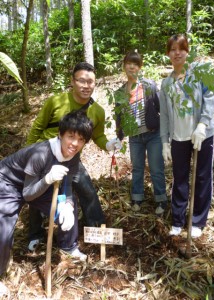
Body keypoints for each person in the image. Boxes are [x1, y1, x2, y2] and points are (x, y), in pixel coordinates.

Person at [26, 62, 121, 251]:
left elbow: (98, 136)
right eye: (82, 81)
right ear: (73, 81)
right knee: (37, 195)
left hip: (71, 158)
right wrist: (30, 155)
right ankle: (35, 234)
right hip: (45, 156)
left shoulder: (97, 111)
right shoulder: (56, 101)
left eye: (91, 82)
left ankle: (95, 229)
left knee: (87, 190)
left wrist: (108, 144)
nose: (86, 86)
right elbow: (37, 127)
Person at [0, 110, 94, 281]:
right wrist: (48, 179)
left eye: (81, 140)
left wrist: (66, 205)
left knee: (69, 208)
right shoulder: (41, 154)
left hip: (37, 183)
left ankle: (68, 246)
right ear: (60, 135)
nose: (75, 143)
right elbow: (28, 195)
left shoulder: (73, 155)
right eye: (71, 136)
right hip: (8, 183)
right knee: (3, 228)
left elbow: (67, 185)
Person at [159, 34, 214, 238]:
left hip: (203, 135)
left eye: (181, 48)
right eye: (173, 49)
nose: (177, 53)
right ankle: (178, 219)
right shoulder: (166, 84)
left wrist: (202, 124)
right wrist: (165, 141)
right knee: (180, 177)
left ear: (187, 51)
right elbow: (164, 115)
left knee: (202, 177)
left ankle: (198, 221)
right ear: (168, 54)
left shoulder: (200, 74)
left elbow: (210, 98)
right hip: (178, 137)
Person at [114, 51, 167, 214]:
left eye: (136, 64)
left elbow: (161, 108)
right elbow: (119, 116)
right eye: (129, 63)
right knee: (137, 168)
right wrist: (119, 136)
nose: (132, 66)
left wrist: (166, 134)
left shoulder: (149, 86)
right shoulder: (120, 92)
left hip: (153, 134)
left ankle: (161, 200)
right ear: (124, 66)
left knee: (156, 167)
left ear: (140, 67)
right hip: (134, 137)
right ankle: (137, 198)